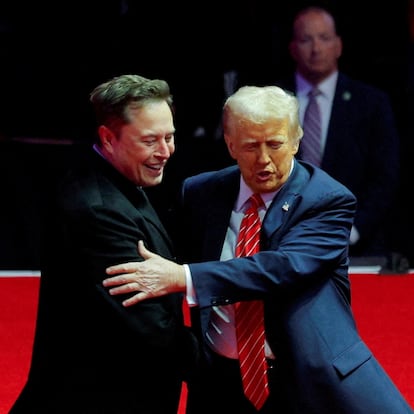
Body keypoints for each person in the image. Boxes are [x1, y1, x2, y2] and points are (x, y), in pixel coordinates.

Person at [102, 85, 413, 413]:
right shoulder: (200, 193)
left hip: (304, 382)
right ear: (230, 144)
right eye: (250, 146)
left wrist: (184, 277)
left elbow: (282, 267)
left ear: (296, 140)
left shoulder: (326, 200)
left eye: (275, 144)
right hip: (219, 383)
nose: (264, 159)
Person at [10, 74, 199, 414]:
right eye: (150, 141)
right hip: (99, 397)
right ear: (108, 138)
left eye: (170, 137)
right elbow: (150, 327)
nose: (165, 152)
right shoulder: (97, 209)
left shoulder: (120, 178)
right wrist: (231, 361)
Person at [279, 5, 401, 263]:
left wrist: (354, 231)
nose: (316, 49)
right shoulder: (274, 101)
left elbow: (385, 177)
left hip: (359, 249)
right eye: (306, 39)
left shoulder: (370, 103)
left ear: (338, 46)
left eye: (324, 38)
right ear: (292, 48)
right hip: (283, 245)